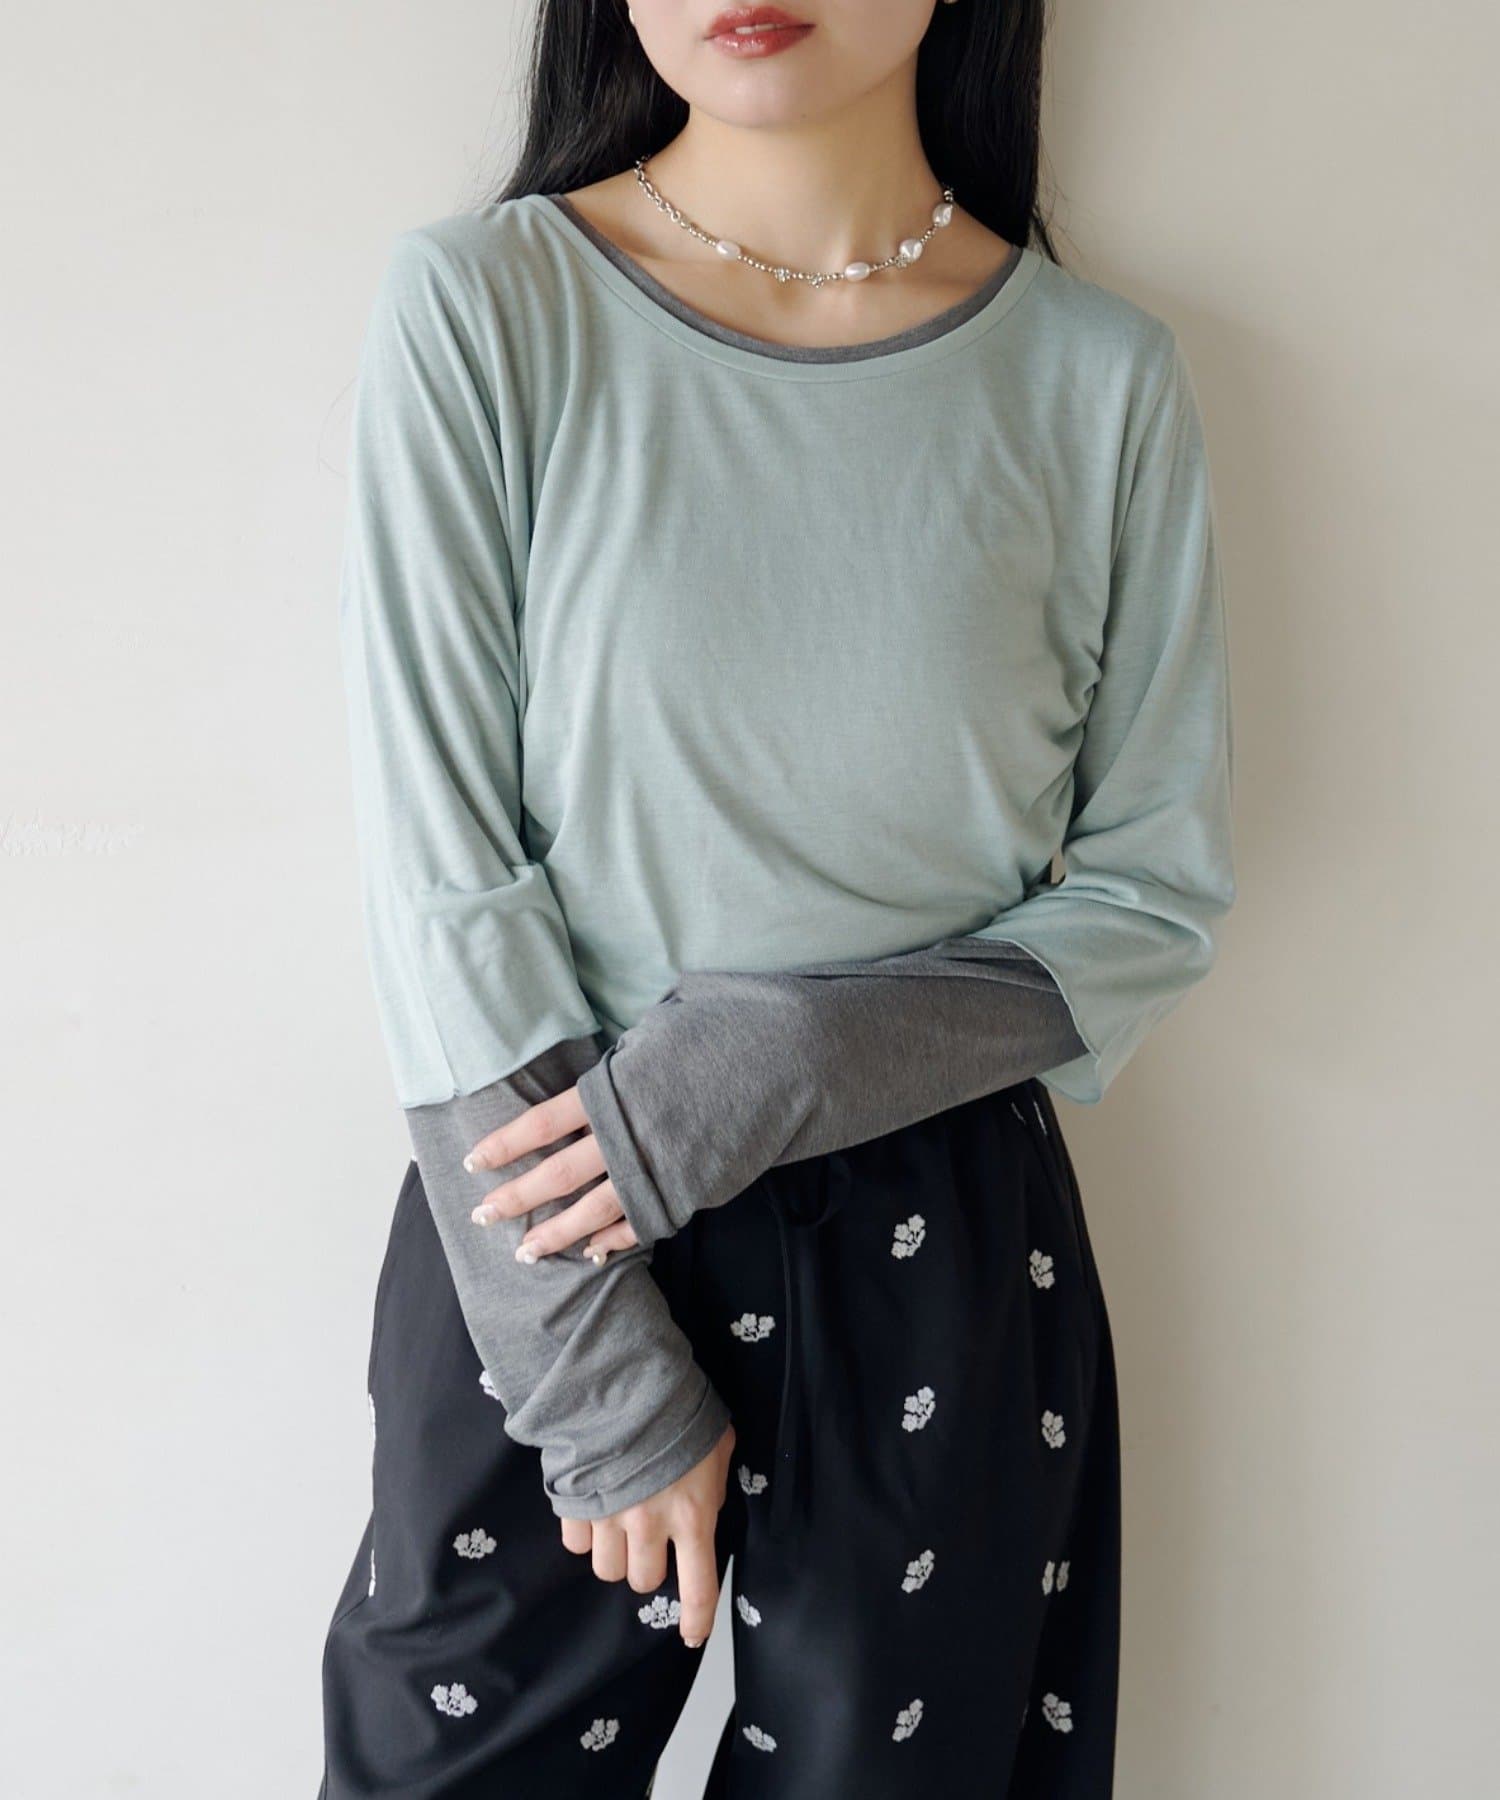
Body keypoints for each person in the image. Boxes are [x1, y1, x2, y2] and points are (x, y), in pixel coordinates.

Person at [316, 1, 1236, 1794]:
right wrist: (587, 1365)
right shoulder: (487, 308)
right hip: (545, 1197)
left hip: (941, 1238)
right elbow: (437, 872)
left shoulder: (1099, 378)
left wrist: (793, 1058)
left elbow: (1156, 890)